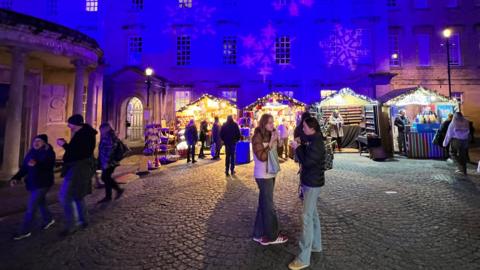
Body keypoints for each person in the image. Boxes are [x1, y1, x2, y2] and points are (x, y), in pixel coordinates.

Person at [288, 117, 326, 270]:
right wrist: (298, 142)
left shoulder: (316, 143)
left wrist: (297, 147)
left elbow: (308, 162)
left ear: (312, 128)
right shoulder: (312, 138)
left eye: (304, 127)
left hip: (312, 183)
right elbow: (301, 136)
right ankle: (316, 245)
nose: (302, 129)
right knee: (313, 215)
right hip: (310, 182)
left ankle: (304, 258)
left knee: (306, 218)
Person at [56, 114, 97, 236]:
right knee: (78, 196)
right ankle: (84, 220)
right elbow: (77, 151)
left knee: (66, 196)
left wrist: (64, 145)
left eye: (70, 124)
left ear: (76, 124)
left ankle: (72, 225)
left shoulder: (84, 135)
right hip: (78, 167)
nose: (68, 126)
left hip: (79, 168)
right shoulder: (84, 133)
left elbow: (80, 152)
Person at [10, 134, 56, 240]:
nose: (36, 143)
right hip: (33, 183)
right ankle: (48, 219)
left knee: (31, 208)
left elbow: (49, 167)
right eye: (35, 141)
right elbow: (25, 168)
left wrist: (37, 164)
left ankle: (24, 231)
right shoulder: (31, 152)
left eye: (39, 141)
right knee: (41, 202)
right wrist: (16, 178)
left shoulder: (49, 153)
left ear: (44, 142)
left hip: (43, 184)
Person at [251, 114, 288, 246]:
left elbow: (276, 152)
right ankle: (272, 236)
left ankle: (258, 233)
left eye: (273, 122)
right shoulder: (257, 137)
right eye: (269, 123)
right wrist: (271, 143)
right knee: (269, 206)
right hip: (263, 175)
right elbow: (261, 156)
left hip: (271, 173)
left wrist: (278, 141)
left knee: (263, 204)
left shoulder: (270, 134)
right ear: (263, 124)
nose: (273, 125)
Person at [97, 123, 125, 203]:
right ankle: (109, 195)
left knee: (105, 177)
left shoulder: (109, 137)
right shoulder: (108, 135)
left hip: (109, 162)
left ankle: (117, 190)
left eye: (101, 129)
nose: (100, 131)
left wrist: (106, 162)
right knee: (106, 177)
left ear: (106, 129)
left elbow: (110, 151)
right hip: (107, 161)